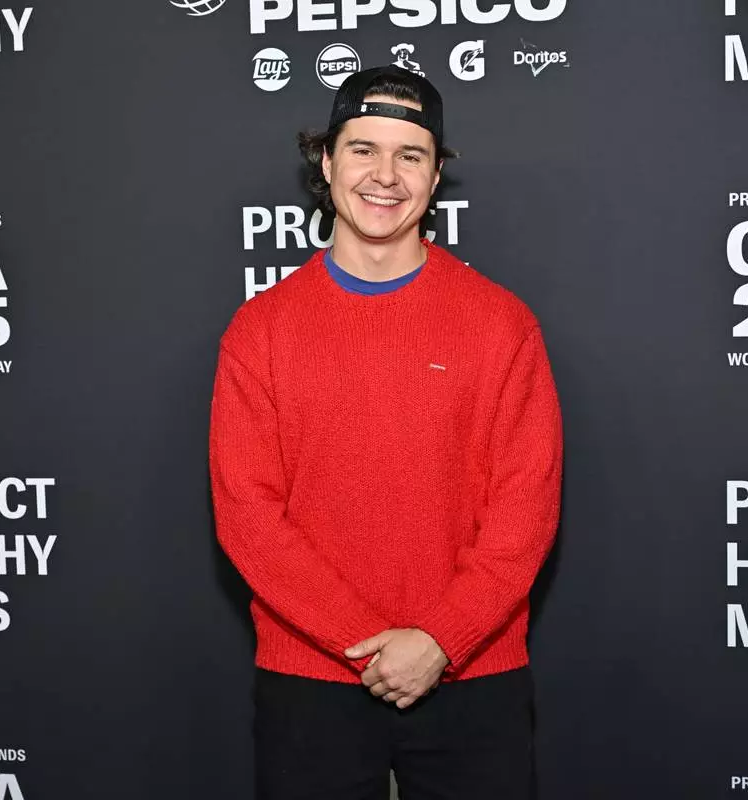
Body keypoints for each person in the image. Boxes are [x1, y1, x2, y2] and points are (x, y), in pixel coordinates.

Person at [209, 64, 563, 800]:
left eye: (411, 155)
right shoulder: (261, 330)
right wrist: (365, 645)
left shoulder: (502, 324)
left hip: (473, 671)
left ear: (435, 178)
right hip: (311, 677)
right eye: (364, 149)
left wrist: (439, 639)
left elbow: (525, 508)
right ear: (327, 163)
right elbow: (248, 515)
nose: (386, 175)